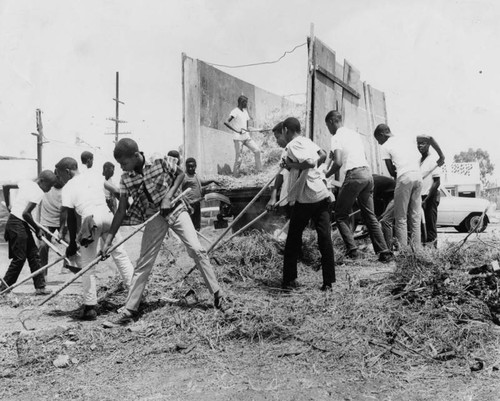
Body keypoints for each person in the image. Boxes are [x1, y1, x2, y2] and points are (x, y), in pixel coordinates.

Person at [101, 138, 229, 325]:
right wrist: (108, 241)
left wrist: (168, 197)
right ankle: (130, 310)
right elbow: (121, 210)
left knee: (196, 249)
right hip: (154, 216)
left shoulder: (158, 160)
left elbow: (181, 174)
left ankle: (218, 295)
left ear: (136, 156)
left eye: (124, 163)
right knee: (144, 262)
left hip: (176, 209)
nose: (122, 167)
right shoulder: (126, 179)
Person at [55, 157, 134, 321]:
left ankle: (90, 307)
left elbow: (70, 217)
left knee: (88, 264)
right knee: (121, 255)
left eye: (60, 175)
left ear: (67, 171)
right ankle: (136, 296)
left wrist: (71, 244)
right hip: (108, 216)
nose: (59, 179)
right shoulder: (94, 176)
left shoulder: (68, 187)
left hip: (90, 220)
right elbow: (118, 192)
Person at [324, 111, 393, 262]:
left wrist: (326, 175)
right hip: (367, 175)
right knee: (370, 216)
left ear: (331, 122)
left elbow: (338, 162)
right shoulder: (354, 135)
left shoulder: (336, 137)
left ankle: (352, 251)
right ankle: (384, 252)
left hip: (354, 175)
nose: (328, 129)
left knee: (340, 214)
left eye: (328, 125)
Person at [277, 117, 335, 292]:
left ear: (286, 129)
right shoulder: (308, 141)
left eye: (283, 132)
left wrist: (291, 164)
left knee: (293, 239)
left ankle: (289, 280)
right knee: (325, 238)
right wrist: (295, 167)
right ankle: (328, 282)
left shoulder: (293, 145)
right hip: (321, 193)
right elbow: (322, 155)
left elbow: (308, 163)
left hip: (307, 197)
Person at [0, 170, 57, 295]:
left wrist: (9, 204)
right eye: (50, 185)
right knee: (19, 258)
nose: (50, 189)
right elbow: (26, 214)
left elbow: (6, 186)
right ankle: (3, 289)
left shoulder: (26, 183)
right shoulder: (38, 192)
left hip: (18, 222)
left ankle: (40, 287)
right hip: (17, 224)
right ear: (41, 181)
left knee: (33, 254)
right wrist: (37, 230)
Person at [374, 124, 423, 248]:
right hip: (418, 175)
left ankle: (403, 253)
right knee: (415, 217)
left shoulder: (385, 146)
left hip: (404, 178)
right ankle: (417, 251)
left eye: (378, 140)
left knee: (401, 218)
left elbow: (391, 171)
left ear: (382, 134)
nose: (379, 143)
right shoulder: (405, 138)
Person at [417, 135, 445, 246]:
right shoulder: (419, 160)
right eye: (418, 143)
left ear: (429, 145)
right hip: (421, 197)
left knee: (430, 225)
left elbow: (437, 182)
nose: (420, 146)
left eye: (423, 143)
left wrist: (427, 200)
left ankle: (432, 251)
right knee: (422, 226)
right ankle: (425, 249)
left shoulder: (432, 159)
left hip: (430, 197)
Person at [224, 95, 262, 177]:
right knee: (239, 159)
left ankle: (259, 172)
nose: (247, 104)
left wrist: (259, 130)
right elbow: (226, 122)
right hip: (238, 139)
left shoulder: (245, 112)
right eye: (246, 102)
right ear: (242, 102)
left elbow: (248, 128)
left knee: (257, 150)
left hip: (246, 137)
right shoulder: (235, 111)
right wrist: (237, 130)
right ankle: (235, 176)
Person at [38, 181, 66, 276]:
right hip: (47, 221)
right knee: (42, 246)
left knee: (74, 243)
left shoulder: (67, 189)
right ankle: (43, 275)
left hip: (62, 221)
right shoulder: (46, 187)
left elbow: (64, 212)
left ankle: (66, 266)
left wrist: (61, 231)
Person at [182, 157, 218, 231]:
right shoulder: (184, 177)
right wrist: (187, 203)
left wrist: (212, 180)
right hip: (189, 204)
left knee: (197, 223)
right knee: (190, 224)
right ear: (186, 166)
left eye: (192, 166)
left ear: (195, 166)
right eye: (189, 166)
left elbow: (202, 182)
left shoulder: (195, 175)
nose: (191, 168)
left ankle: (196, 237)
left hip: (197, 202)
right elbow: (179, 191)